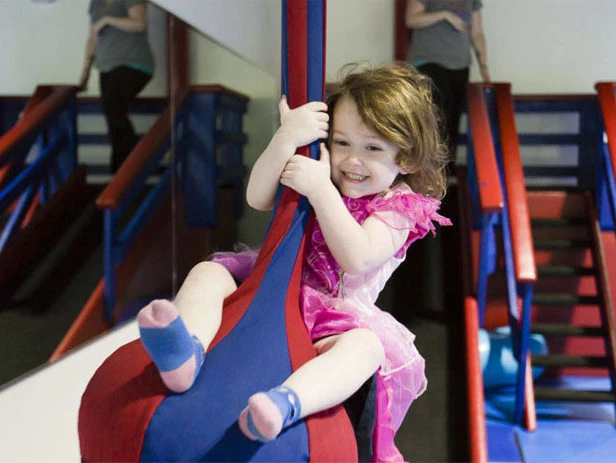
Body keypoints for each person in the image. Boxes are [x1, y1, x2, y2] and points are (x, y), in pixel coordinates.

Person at [135, 62, 451, 461]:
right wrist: (286, 139)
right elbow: (258, 196)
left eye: (372, 148)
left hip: (333, 313)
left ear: (406, 158)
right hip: (276, 281)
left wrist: (321, 190)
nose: (352, 161)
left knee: (366, 349)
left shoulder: (399, 208)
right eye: (342, 143)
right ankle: (186, 350)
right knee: (209, 272)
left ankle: (286, 402)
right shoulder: (323, 171)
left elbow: (356, 256)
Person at [405, 0, 490, 162]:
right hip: (428, 60)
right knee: (439, 110)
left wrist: (484, 67)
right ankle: (428, 164)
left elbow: (477, 34)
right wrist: (444, 15)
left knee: (453, 118)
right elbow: (411, 19)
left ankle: (447, 169)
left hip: (460, 64)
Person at [78, 0, 155, 173]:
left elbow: (140, 24)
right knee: (113, 118)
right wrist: (85, 73)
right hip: (106, 68)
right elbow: (92, 38)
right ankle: (120, 175)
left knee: (114, 110)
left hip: (134, 64)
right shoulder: (95, 3)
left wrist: (108, 20)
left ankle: (128, 171)